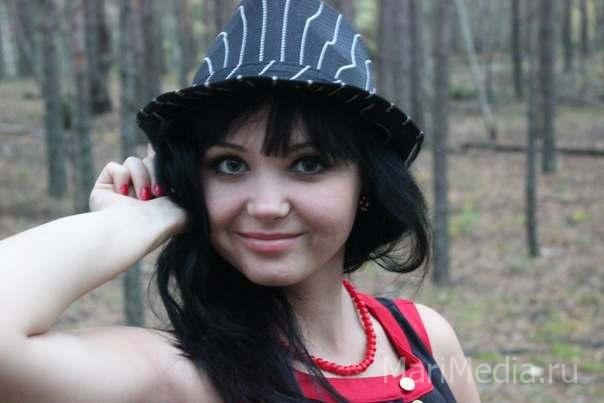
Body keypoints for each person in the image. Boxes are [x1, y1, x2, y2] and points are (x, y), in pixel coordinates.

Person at [0, 0, 480, 402]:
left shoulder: (423, 338)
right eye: (229, 165)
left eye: (308, 164)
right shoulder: (181, 377)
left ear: (367, 186)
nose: (266, 206)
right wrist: (134, 219)